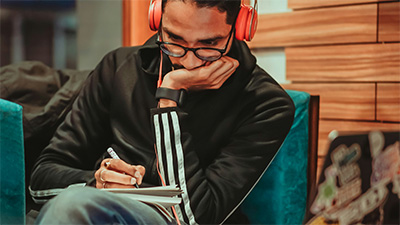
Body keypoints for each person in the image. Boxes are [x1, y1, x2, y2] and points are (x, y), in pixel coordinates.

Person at [30, 0, 295, 224]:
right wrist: (95, 181)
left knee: (72, 206)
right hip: (101, 209)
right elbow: (40, 180)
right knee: (74, 204)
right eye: (174, 39)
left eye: (209, 44)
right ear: (157, 16)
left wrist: (169, 98)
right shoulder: (118, 67)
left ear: (241, 27)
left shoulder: (266, 103)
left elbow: (193, 218)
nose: (188, 62)